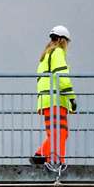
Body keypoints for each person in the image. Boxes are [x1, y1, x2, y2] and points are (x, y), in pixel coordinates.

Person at [32, 26, 76, 167]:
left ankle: (41, 155)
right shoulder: (57, 53)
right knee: (60, 133)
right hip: (56, 100)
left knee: (57, 132)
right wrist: (72, 98)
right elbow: (61, 77)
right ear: (63, 40)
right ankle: (56, 161)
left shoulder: (45, 56)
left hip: (46, 100)